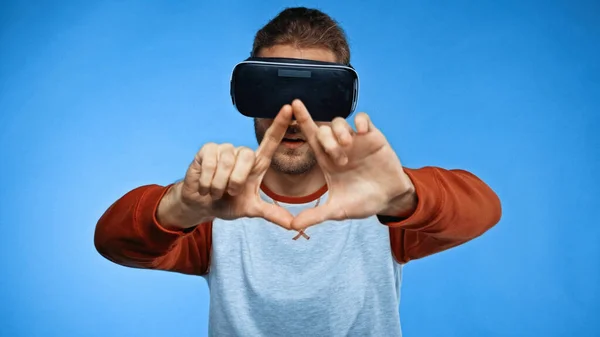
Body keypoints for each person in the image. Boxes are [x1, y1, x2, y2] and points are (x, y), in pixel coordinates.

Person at [94, 7, 502, 337]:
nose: (293, 115)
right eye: (273, 91)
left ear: (344, 100)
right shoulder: (216, 204)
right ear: (247, 95)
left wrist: (403, 198)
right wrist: (181, 205)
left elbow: (484, 209)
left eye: (318, 95)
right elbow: (112, 242)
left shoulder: (382, 198)